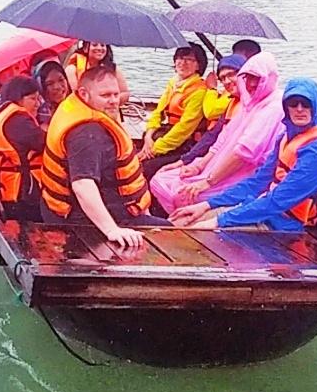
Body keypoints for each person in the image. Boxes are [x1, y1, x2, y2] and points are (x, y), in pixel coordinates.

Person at [171, 78, 317, 231]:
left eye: (306, 104)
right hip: (262, 210)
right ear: (286, 107)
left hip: (284, 225)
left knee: (193, 230)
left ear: (316, 106)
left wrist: (219, 221)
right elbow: (257, 182)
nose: (299, 109)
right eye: (293, 103)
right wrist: (207, 205)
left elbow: (277, 201)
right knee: (180, 221)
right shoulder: (286, 137)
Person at [38, 65, 168, 251]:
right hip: (84, 221)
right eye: (105, 96)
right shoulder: (87, 134)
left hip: (75, 207)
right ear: (83, 93)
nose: (113, 101)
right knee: (178, 237)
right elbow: (83, 185)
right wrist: (112, 230)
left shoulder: (75, 106)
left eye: (116, 94)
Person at [149, 51, 285, 213]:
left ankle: (178, 223)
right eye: (247, 78)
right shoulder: (248, 103)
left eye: (256, 78)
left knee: (180, 192)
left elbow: (243, 153)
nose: (251, 84)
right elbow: (219, 138)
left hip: (243, 174)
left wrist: (207, 181)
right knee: (161, 178)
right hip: (214, 165)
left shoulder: (273, 107)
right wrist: (197, 165)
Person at [0, 76, 46, 221]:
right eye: (33, 99)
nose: (38, 104)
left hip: (4, 188)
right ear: (18, 98)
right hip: (22, 195)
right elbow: (46, 143)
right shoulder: (17, 121)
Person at [138, 43, 209, 177]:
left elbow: (184, 129)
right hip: (165, 134)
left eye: (190, 60)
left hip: (184, 143)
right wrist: (148, 136)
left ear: (199, 65)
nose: (183, 63)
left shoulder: (199, 91)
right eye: (180, 58)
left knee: (146, 167)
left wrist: (155, 149)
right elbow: (158, 112)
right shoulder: (173, 83)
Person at [65, 41, 129, 104]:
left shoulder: (114, 69)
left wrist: (110, 102)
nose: (99, 48)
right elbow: (75, 97)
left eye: (102, 45)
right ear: (85, 48)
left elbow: (125, 93)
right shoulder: (71, 70)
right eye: (94, 45)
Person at [34, 59, 70, 128]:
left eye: (61, 80)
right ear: (41, 88)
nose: (57, 87)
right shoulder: (40, 122)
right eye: (50, 84)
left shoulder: (79, 104)